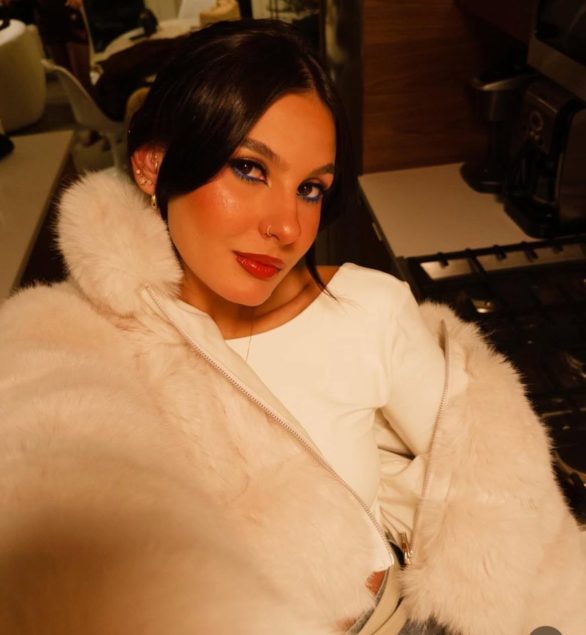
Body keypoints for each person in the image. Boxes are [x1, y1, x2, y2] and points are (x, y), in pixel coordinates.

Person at [0, 18, 584, 635]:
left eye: (310, 188)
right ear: (154, 165)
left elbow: (494, 475)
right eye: (250, 169)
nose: (286, 226)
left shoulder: (365, 311)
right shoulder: (65, 347)